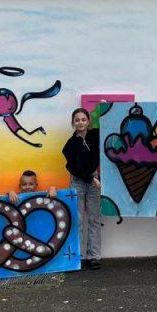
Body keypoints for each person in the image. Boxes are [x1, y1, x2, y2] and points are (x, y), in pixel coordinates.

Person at [62, 107, 101, 269]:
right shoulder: (69, 145)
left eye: (83, 119)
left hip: (93, 180)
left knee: (94, 219)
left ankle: (94, 256)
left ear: (88, 121)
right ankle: (77, 257)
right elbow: (73, 167)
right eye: (77, 120)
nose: (80, 122)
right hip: (79, 181)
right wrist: (91, 178)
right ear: (73, 123)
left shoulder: (95, 136)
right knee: (77, 220)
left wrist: (103, 106)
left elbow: (106, 118)